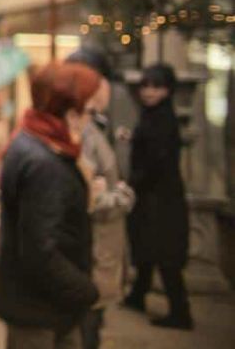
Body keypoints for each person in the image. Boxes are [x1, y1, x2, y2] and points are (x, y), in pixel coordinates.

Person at [0, 62, 101, 349]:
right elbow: (40, 250)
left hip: (40, 305)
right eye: (88, 110)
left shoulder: (34, 139)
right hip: (41, 309)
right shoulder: (44, 162)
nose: (91, 118)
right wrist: (86, 289)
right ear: (68, 110)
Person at [65, 48, 135, 349]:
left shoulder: (96, 123)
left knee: (91, 323)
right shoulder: (78, 129)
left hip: (102, 248)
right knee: (85, 328)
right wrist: (122, 197)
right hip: (90, 250)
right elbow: (85, 197)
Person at [122, 63, 193, 330]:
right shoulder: (153, 115)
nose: (149, 92)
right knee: (147, 249)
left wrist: (133, 184)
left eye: (157, 86)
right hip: (153, 195)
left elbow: (156, 159)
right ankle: (138, 295)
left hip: (159, 198)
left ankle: (180, 311)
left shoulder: (162, 118)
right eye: (146, 86)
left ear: (168, 90)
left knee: (164, 254)